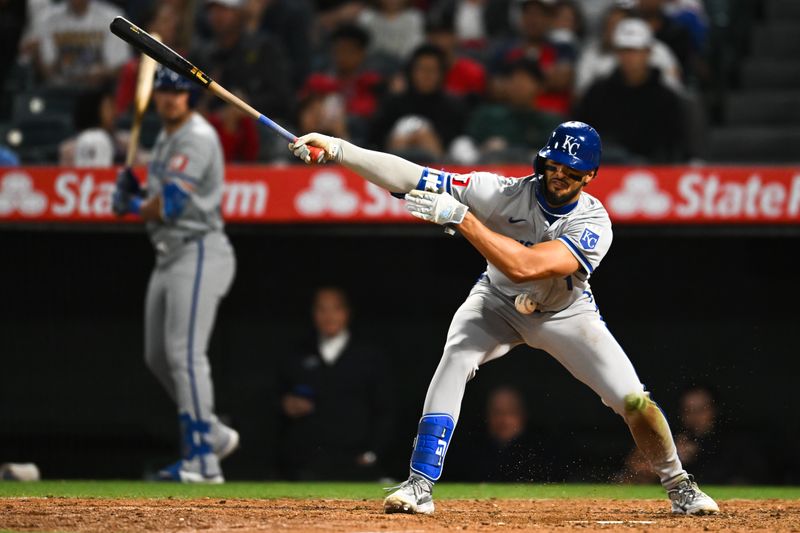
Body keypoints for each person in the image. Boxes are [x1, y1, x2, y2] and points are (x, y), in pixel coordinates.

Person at [288, 121, 719, 516]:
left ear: (589, 176)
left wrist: (462, 220)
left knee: (632, 399)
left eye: (571, 170)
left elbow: (527, 267)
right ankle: (419, 484)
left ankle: (679, 484)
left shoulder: (593, 221)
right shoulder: (502, 191)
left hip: (563, 313)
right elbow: (412, 176)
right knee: (455, 356)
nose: (559, 174)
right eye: (554, 164)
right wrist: (339, 150)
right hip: (494, 301)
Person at [111, 65, 238, 483]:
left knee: (185, 355)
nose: (169, 98)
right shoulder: (166, 136)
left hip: (199, 249)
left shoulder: (198, 137)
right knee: (158, 355)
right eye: (163, 90)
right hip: (169, 254)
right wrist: (134, 188)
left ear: (189, 97)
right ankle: (214, 432)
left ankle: (203, 460)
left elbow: (168, 205)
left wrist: (130, 204)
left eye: (178, 92)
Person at [277, 287, 394, 480]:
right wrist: (286, 404)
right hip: (308, 464)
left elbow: (386, 409)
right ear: (313, 314)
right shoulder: (296, 354)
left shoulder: (369, 356)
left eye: (335, 309)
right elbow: (276, 399)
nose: (328, 316)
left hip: (357, 462)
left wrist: (373, 452)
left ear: (347, 312)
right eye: (322, 309)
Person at [573, 17, 687, 163]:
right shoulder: (597, 92)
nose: (629, 57)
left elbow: (674, 145)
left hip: (653, 170)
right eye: (624, 50)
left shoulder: (666, 97)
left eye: (635, 51)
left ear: (648, 52)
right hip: (604, 170)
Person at [464, 58, 562, 163]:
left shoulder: (551, 123)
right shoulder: (487, 115)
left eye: (524, 81)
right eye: (513, 80)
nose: (518, 86)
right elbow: (465, 145)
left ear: (540, 86)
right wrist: (483, 149)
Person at [30, 0, 129, 87]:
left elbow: (120, 65)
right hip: (59, 90)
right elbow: (47, 69)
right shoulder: (47, 18)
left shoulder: (112, 17)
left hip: (99, 91)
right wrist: (36, 55)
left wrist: (102, 73)